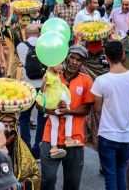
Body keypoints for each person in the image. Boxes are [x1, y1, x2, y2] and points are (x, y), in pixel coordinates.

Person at [40, 45, 94, 190]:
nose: (74, 62)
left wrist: (68, 111)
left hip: (74, 139)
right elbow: (39, 104)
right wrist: (53, 111)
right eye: (72, 58)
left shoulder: (87, 81)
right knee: (48, 179)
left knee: (72, 183)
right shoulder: (52, 75)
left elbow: (87, 108)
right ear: (66, 58)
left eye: (79, 60)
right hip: (50, 138)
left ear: (83, 63)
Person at [92, 40, 129, 190]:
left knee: (110, 175)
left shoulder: (101, 81)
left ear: (106, 57)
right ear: (123, 55)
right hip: (127, 135)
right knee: (121, 171)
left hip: (107, 135)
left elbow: (97, 108)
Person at [16, 24, 46, 157]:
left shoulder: (20, 46)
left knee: (24, 118)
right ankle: (38, 150)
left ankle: (26, 149)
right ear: (38, 33)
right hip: (43, 85)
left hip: (27, 87)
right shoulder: (45, 45)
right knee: (41, 118)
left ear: (25, 34)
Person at [0, 112, 41, 190]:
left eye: (12, 126)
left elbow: (35, 175)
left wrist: (21, 185)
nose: (9, 130)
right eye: (5, 126)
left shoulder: (21, 147)